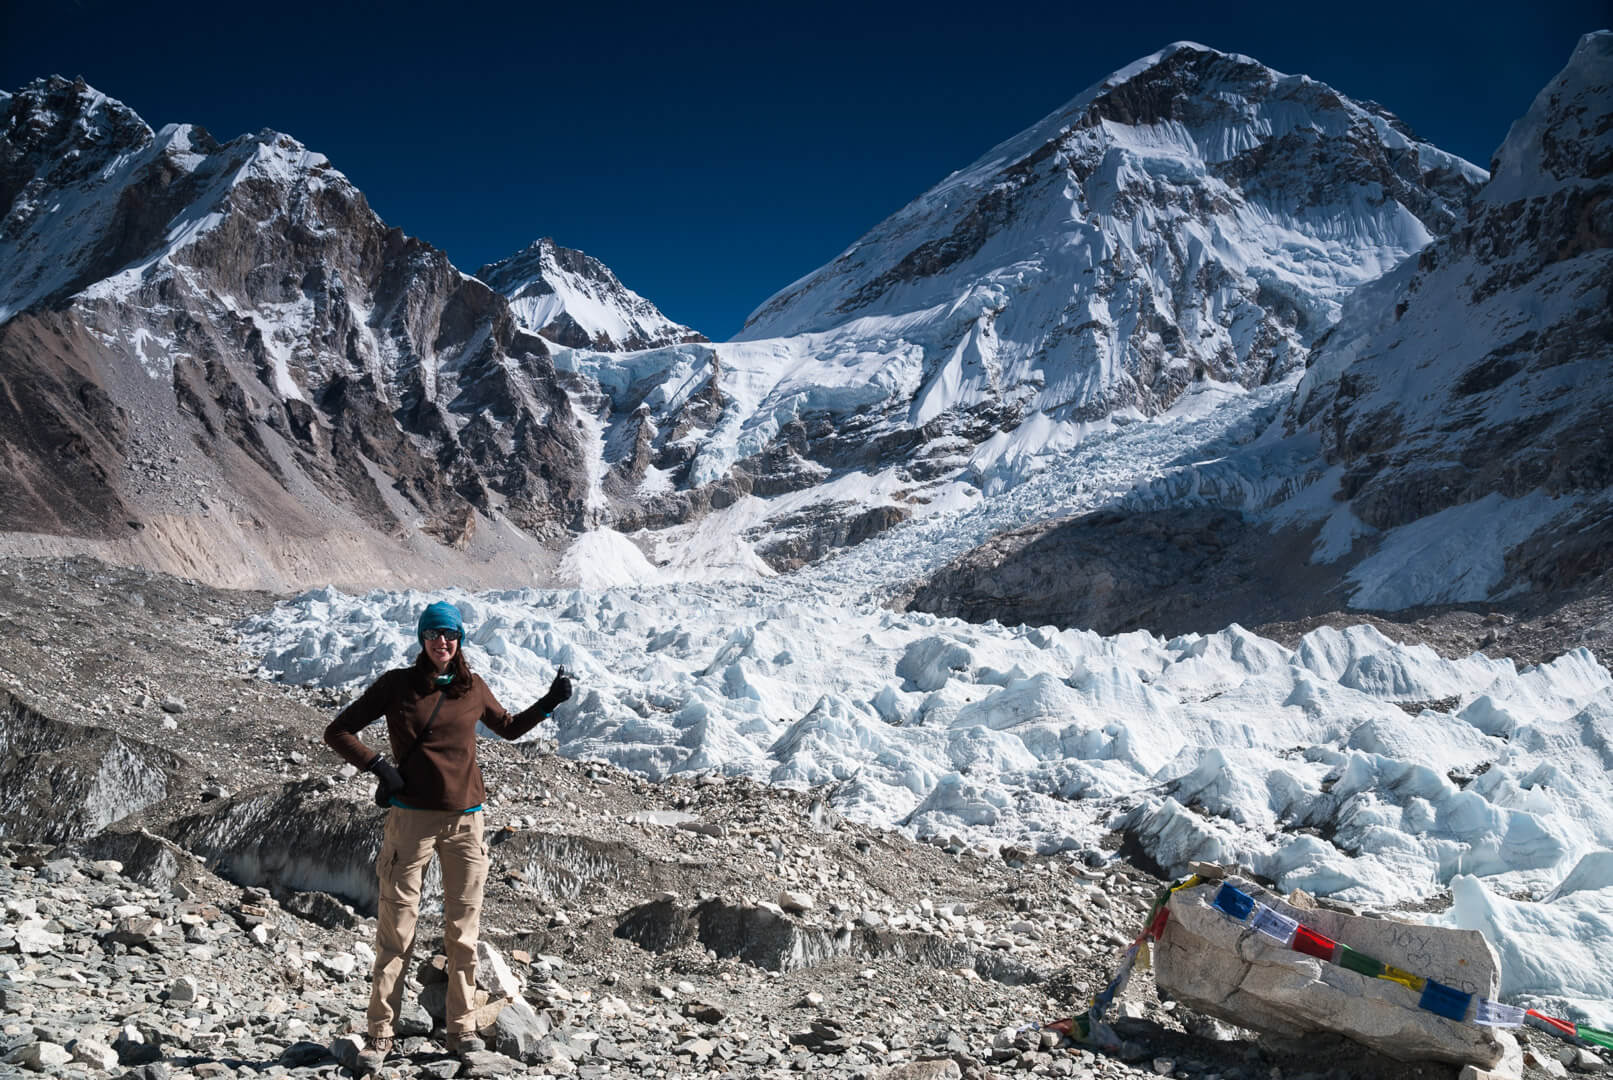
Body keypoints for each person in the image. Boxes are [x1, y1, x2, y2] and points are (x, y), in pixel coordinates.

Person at [323, 601, 572, 1071]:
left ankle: (462, 1028)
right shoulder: (397, 685)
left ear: (459, 640)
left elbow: (510, 728)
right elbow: (338, 731)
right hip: (410, 820)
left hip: (466, 821)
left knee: (463, 930)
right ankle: (380, 1031)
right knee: (396, 928)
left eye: (450, 634)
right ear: (422, 639)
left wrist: (549, 701)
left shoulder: (471, 687)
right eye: (434, 633)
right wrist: (378, 766)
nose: (443, 641)